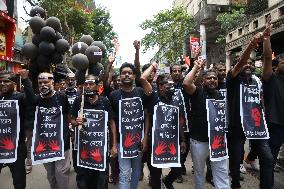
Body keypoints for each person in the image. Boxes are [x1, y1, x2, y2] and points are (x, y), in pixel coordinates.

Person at [226, 26, 274, 189]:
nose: (248, 65)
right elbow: (240, 62)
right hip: (237, 127)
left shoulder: (259, 81)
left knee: (267, 159)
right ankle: (235, 184)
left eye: (251, 64)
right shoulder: (232, 80)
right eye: (245, 63)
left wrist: (266, 39)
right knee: (236, 157)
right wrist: (252, 43)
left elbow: (268, 59)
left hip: (257, 126)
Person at [183, 61, 230, 189]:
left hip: (218, 142)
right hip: (199, 141)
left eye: (214, 78)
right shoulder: (197, 92)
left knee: (221, 171)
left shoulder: (220, 95)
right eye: (208, 78)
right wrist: (197, 66)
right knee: (199, 172)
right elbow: (187, 83)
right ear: (203, 81)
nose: (212, 80)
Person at [140, 62, 186, 189]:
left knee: (177, 170)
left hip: (172, 140)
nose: (170, 86)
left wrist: (182, 140)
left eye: (171, 83)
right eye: (167, 83)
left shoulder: (175, 99)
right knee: (155, 174)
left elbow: (178, 121)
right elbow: (143, 78)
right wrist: (153, 67)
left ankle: (168, 181)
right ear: (160, 87)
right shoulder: (153, 96)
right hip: (155, 141)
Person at [23, 71, 71, 189]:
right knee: (50, 175)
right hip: (44, 145)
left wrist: (71, 126)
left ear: (52, 82)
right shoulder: (37, 100)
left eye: (46, 82)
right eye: (40, 83)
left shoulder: (61, 96)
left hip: (61, 144)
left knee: (61, 173)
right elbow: (29, 98)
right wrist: (25, 80)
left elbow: (68, 115)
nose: (43, 85)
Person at [70, 74, 117, 189]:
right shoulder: (78, 101)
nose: (88, 86)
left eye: (91, 84)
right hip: (83, 148)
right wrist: (76, 121)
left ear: (97, 86)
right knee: (83, 177)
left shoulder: (104, 102)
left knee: (101, 178)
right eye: (86, 84)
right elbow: (71, 119)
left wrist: (114, 145)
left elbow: (112, 123)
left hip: (100, 147)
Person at [109, 62, 150, 189]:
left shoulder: (141, 92)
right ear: (120, 76)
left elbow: (147, 115)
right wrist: (114, 144)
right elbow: (113, 121)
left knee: (136, 170)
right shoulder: (114, 95)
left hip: (138, 141)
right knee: (125, 173)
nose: (126, 75)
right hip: (122, 143)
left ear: (134, 76)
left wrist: (145, 138)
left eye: (130, 73)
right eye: (123, 73)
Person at [0, 70, 33, 189]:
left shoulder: (20, 97)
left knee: (19, 181)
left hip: (16, 147)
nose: (3, 84)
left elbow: (32, 100)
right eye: (1, 82)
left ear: (14, 83)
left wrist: (26, 80)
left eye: (6, 81)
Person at [262, 23, 284, 185]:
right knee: (270, 160)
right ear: (278, 64)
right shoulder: (270, 78)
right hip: (274, 125)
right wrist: (267, 38)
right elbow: (268, 57)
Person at [169, 64, 191, 183]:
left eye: (179, 71)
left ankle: (181, 164)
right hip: (171, 125)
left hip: (186, 124)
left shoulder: (185, 86)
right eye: (174, 71)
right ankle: (176, 172)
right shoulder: (167, 86)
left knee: (185, 148)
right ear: (171, 73)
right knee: (175, 149)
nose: (177, 72)